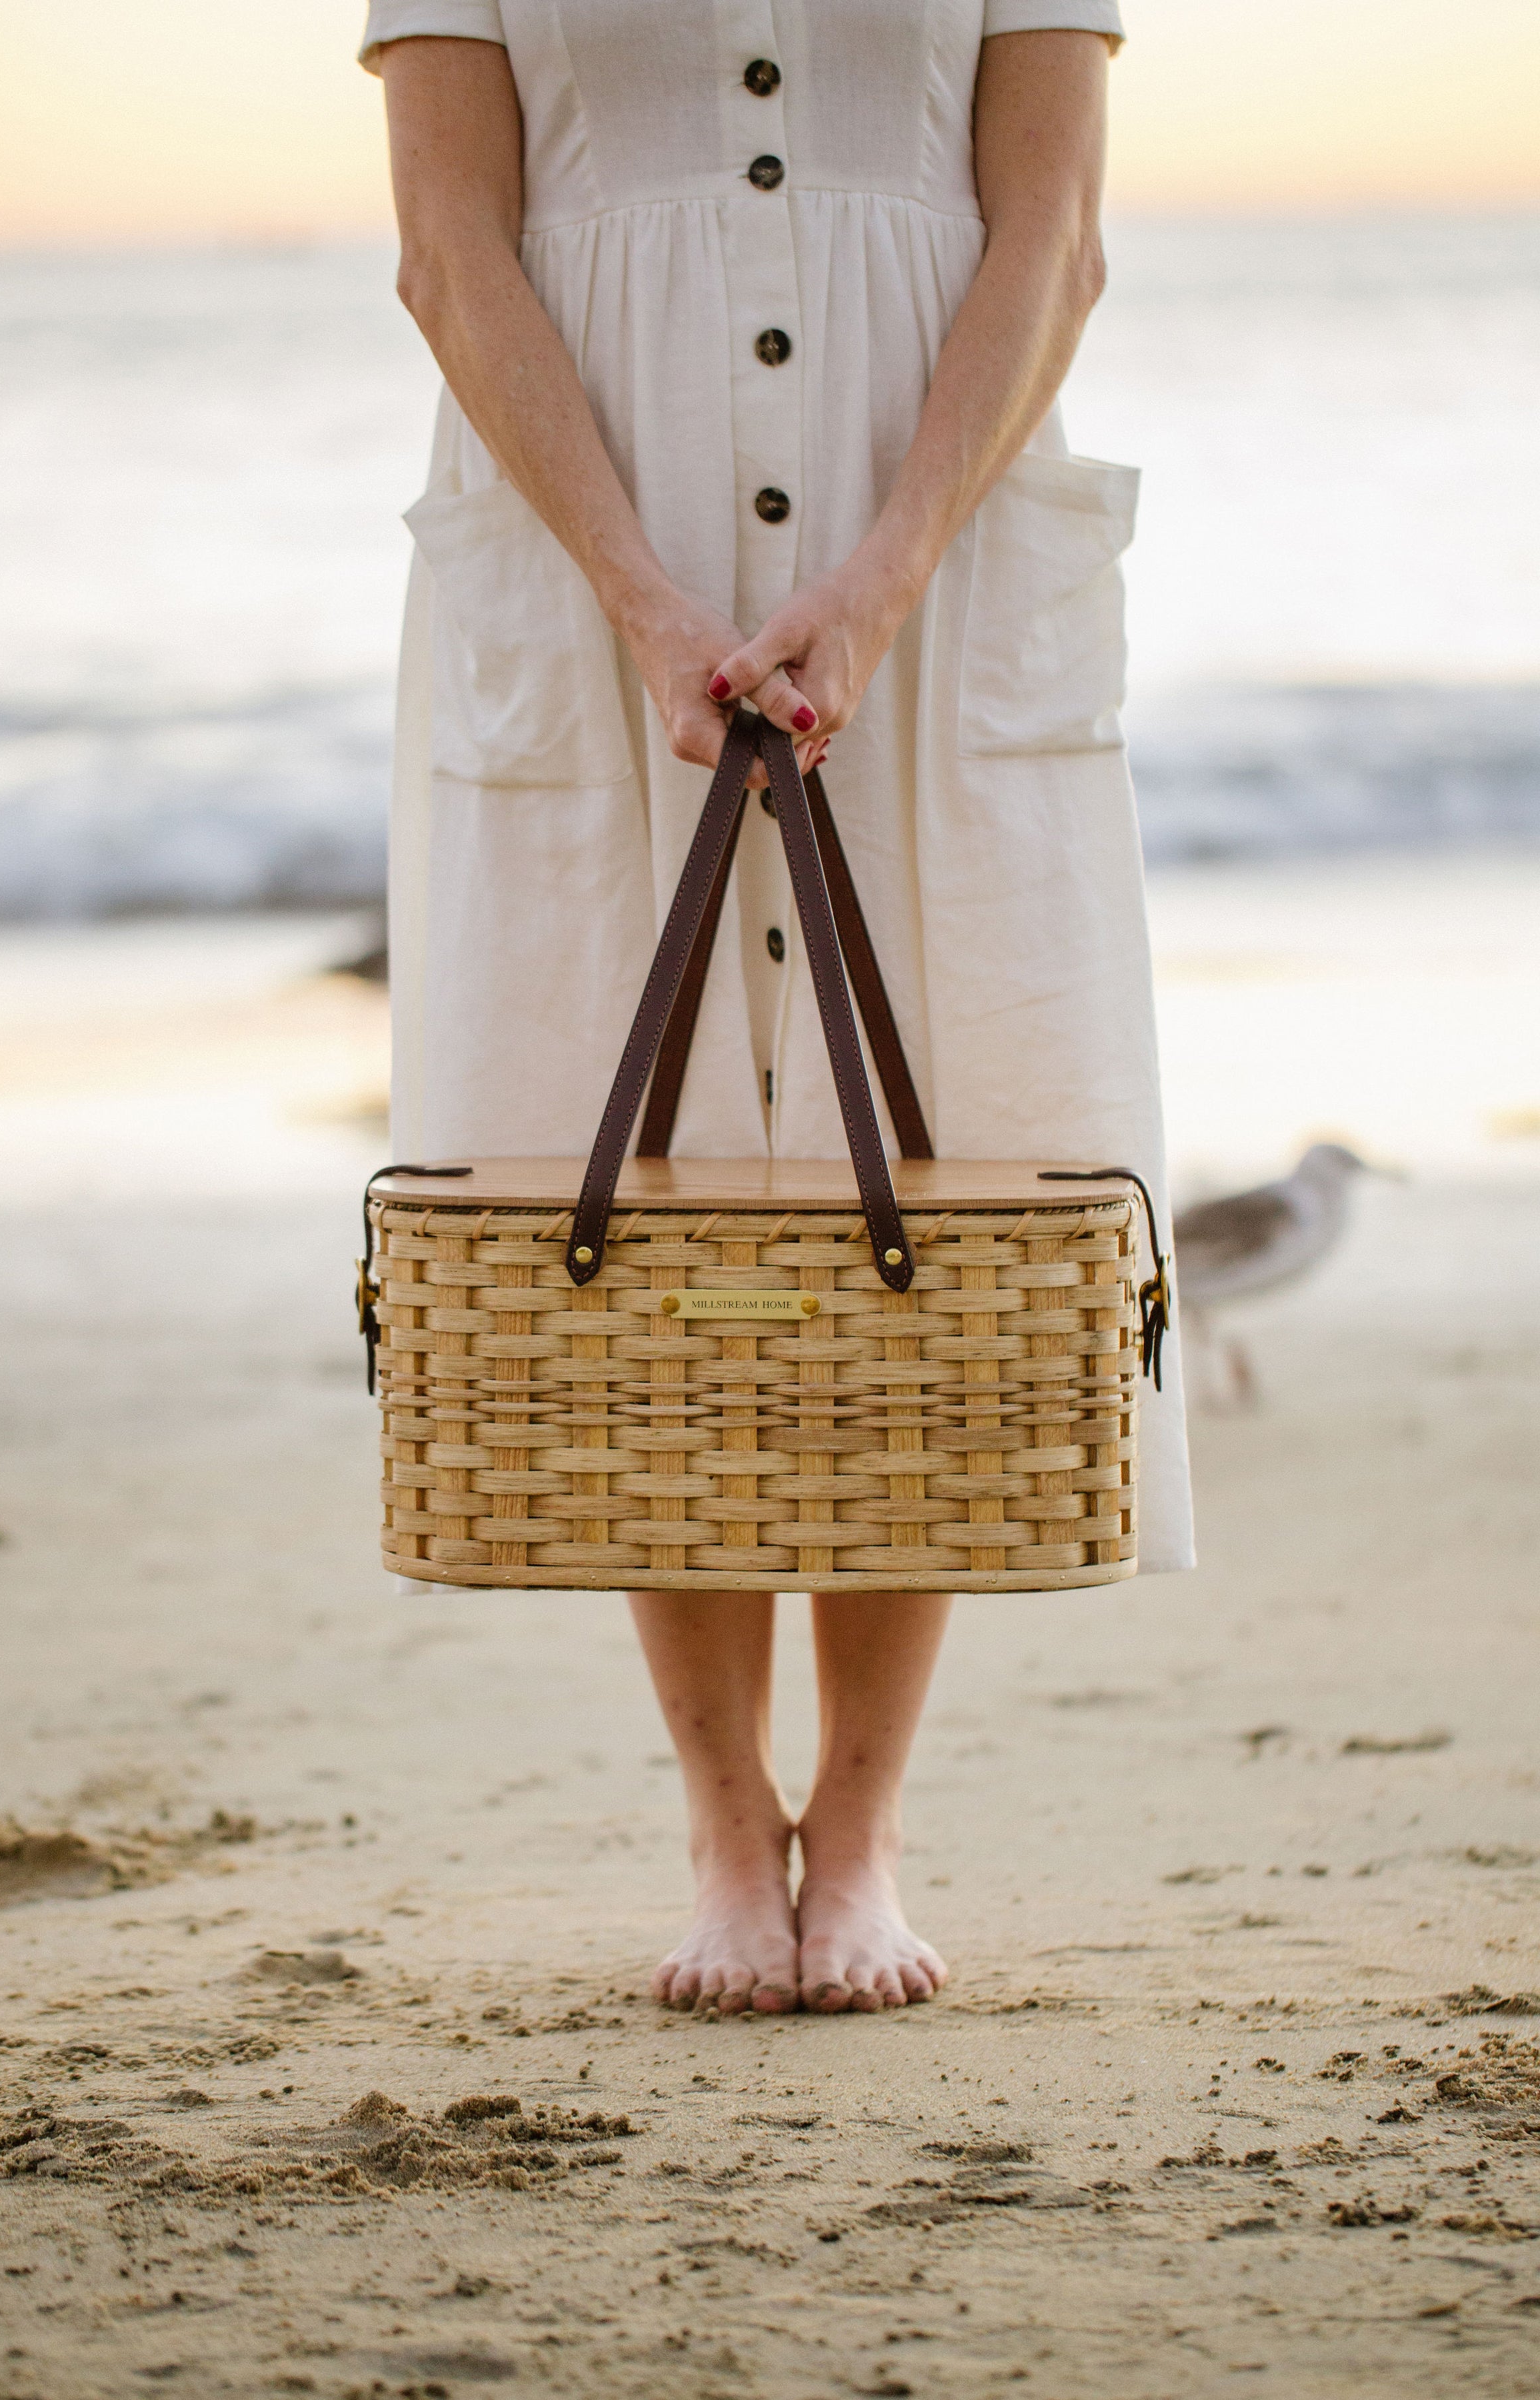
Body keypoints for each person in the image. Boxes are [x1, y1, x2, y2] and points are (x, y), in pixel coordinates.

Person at [361, 1, 1193, 2018]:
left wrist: (891, 572)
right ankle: (734, 1833)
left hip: (939, 540)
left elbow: (1051, 233)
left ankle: (870, 1828)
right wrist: (645, 595)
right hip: (587, 561)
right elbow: (453, 250)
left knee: (919, 1175)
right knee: (643, 1194)